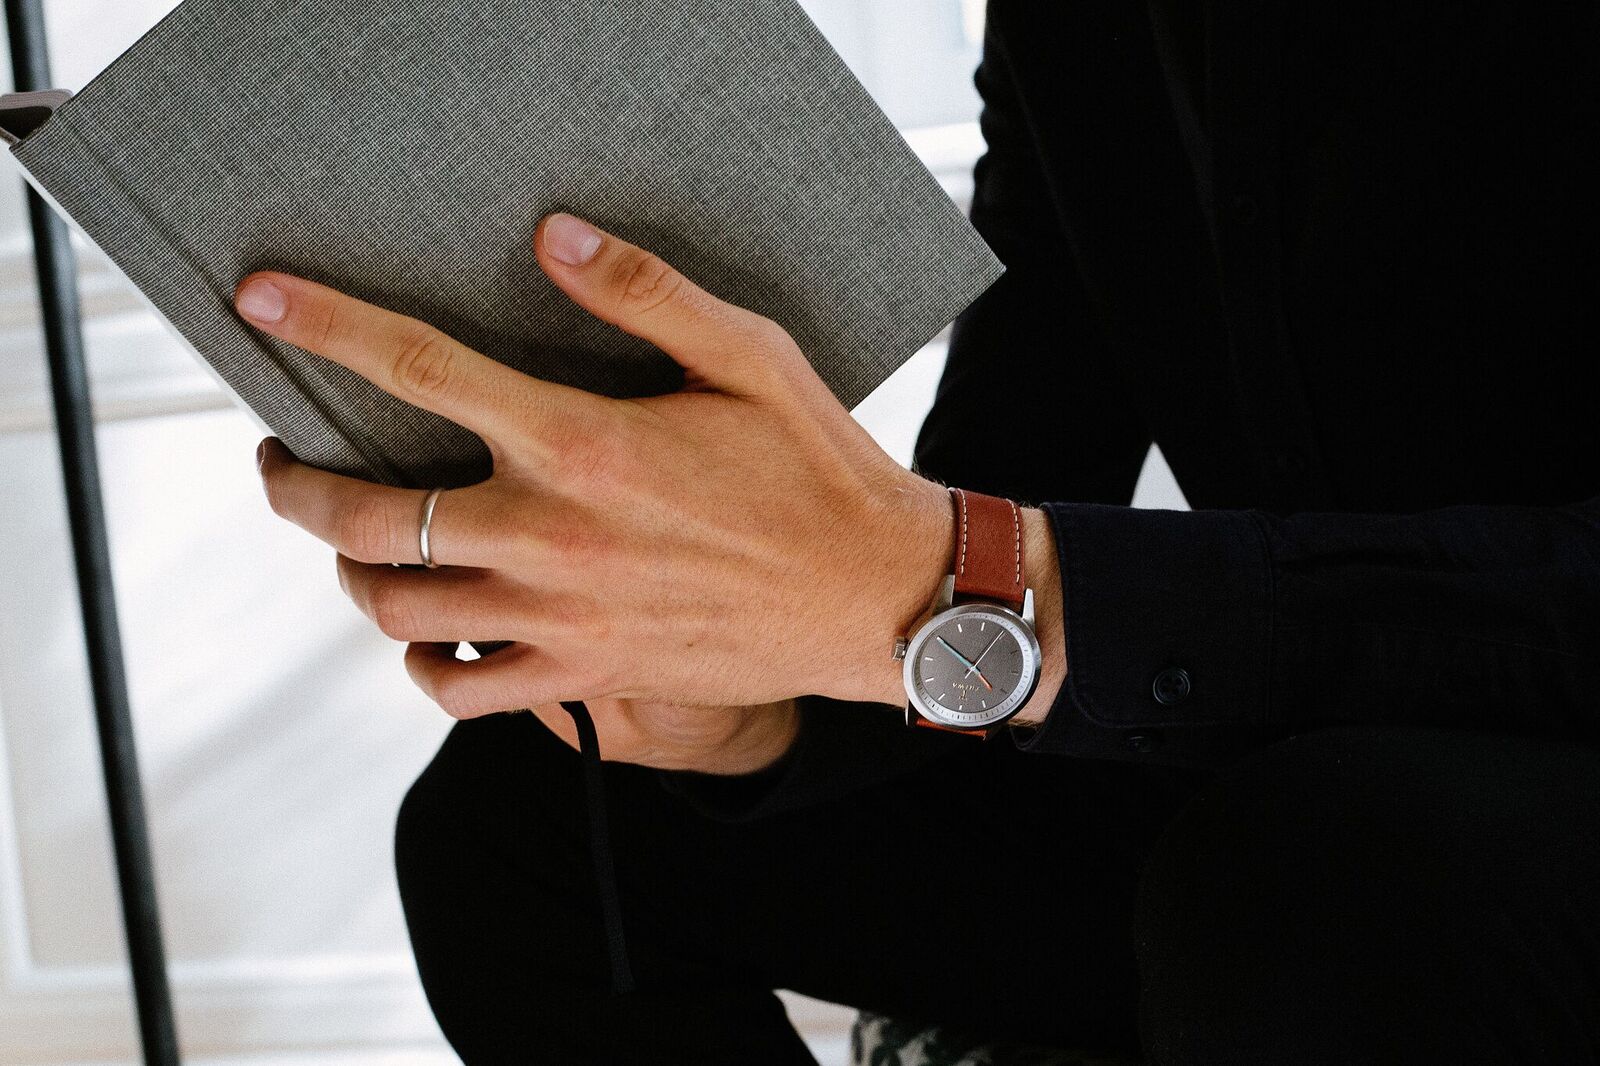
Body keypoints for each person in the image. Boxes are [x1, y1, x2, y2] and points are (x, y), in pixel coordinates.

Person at [233, 2, 1600, 1062]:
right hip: (1289, 777)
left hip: (1427, 833)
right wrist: (760, 711)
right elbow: (1007, 473)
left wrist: (959, 585)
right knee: (520, 822)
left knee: (1325, 876)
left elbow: (988, 571)